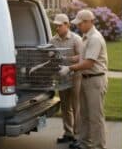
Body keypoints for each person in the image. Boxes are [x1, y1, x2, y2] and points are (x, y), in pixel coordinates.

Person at [59, 9, 108, 149]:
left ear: (88, 22)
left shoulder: (95, 39)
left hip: (95, 80)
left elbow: (89, 63)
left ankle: (99, 146)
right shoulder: (86, 37)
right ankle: (85, 144)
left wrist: (69, 68)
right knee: (85, 114)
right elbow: (82, 58)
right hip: (85, 79)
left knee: (95, 117)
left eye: (80, 24)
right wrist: (65, 59)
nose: (77, 26)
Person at [50, 14, 83, 144]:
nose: (57, 28)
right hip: (61, 77)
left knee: (76, 106)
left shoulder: (76, 39)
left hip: (76, 76)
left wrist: (70, 60)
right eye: (56, 25)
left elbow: (82, 57)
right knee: (65, 106)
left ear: (67, 25)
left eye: (59, 25)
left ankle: (78, 136)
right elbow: (50, 57)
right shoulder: (53, 41)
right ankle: (68, 132)